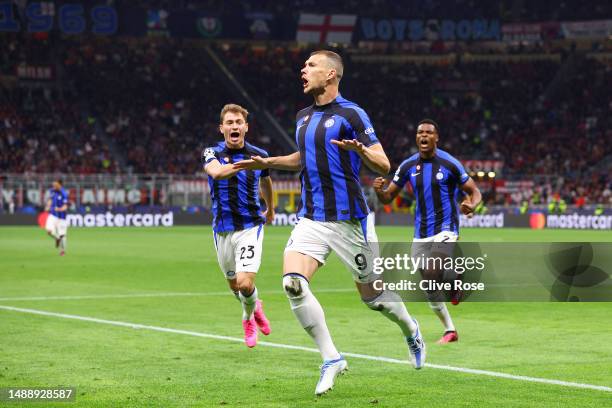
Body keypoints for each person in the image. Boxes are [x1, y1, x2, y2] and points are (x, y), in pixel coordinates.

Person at [235, 50, 425, 396]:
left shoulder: (352, 114)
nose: (302, 70)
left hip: (349, 221)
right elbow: (302, 159)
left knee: (373, 296)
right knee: (293, 283)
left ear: (332, 74)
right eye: (304, 65)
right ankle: (331, 358)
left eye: (310, 65)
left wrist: (361, 151)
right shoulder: (303, 117)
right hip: (311, 218)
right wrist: (264, 161)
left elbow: (383, 164)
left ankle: (410, 328)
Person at [373, 119, 482, 344]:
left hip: (446, 228)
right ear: (416, 137)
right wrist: (379, 191)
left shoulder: (449, 163)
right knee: (430, 285)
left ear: (436, 138)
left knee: (433, 271)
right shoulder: (408, 166)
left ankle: (453, 278)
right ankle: (450, 329)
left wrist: (472, 205)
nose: (423, 135)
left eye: (428, 133)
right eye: (420, 132)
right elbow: (388, 197)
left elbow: (474, 191)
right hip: (421, 232)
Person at [202, 104, 274, 348]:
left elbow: (265, 180)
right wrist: (245, 165)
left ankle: (247, 318)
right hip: (222, 229)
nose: (234, 126)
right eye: (229, 123)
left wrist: (271, 207)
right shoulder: (211, 152)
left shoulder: (258, 154)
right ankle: (256, 306)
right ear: (222, 128)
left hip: (249, 226)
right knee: (234, 285)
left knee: (245, 282)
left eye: (238, 122)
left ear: (246, 127)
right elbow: (217, 173)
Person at [44, 179, 69, 256]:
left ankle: (62, 251)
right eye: (54, 184)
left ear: (60, 184)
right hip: (53, 215)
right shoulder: (52, 191)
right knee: (48, 230)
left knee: (63, 235)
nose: (54, 185)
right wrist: (48, 206)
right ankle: (57, 238)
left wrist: (59, 209)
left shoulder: (64, 193)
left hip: (62, 217)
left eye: (55, 184)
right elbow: (50, 200)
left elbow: (65, 207)